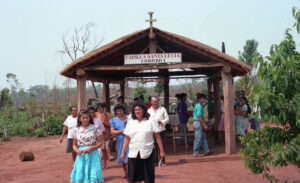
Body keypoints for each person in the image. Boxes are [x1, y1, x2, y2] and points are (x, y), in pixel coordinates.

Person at [120, 103, 166, 183]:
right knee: (133, 177)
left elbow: (157, 136)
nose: (137, 111)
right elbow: (127, 138)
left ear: (144, 110)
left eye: (139, 109)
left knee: (148, 177)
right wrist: (122, 152)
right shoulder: (130, 122)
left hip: (147, 152)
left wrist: (162, 151)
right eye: (135, 110)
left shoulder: (151, 121)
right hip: (133, 153)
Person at [70, 110, 104, 183]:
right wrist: (77, 150)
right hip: (81, 155)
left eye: (87, 117)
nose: (85, 119)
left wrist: (91, 148)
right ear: (79, 119)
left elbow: (101, 142)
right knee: (81, 173)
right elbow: (74, 145)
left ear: (90, 118)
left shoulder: (95, 128)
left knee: (93, 173)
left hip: (93, 153)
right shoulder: (76, 130)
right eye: (83, 118)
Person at [147, 96, 169, 166]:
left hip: (161, 130)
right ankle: (155, 161)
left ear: (158, 101)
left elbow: (167, 119)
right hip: (152, 131)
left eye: (156, 101)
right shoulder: (148, 111)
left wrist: (161, 122)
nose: (155, 103)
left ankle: (163, 161)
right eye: (153, 101)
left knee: (161, 146)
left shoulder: (162, 109)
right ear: (151, 102)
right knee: (154, 146)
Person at [110, 104, 129, 178]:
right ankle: (125, 172)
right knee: (122, 157)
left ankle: (131, 172)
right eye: (117, 111)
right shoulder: (113, 120)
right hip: (120, 141)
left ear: (123, 110)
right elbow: (112, 132)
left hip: (130, 140)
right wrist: (122, 131)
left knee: (130, 157)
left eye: (120, 110)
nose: (119, 112)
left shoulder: (128, 118)